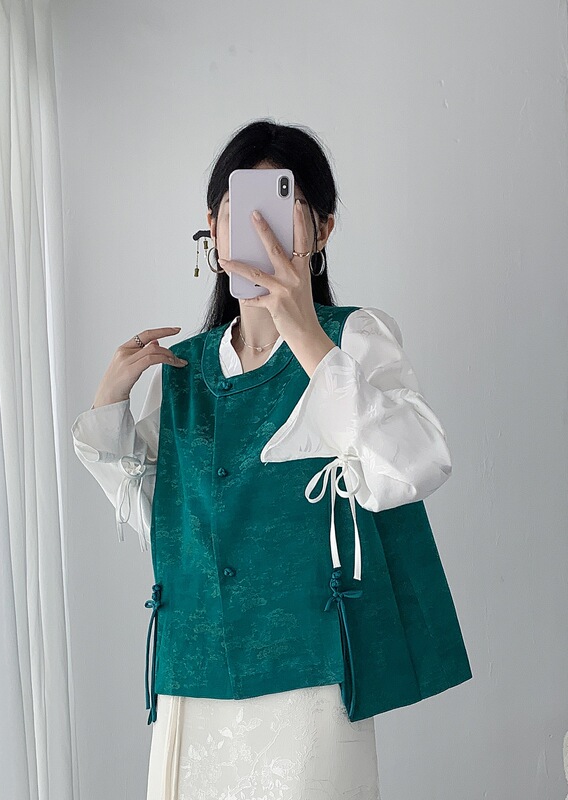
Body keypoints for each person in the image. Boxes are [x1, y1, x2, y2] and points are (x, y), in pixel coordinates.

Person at [71, 119, 471, 800]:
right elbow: (165, 525)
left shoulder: (354, 339)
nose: (256, 229)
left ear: (322, 230)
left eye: (280, 209)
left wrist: (309, 338)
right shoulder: (182, 371)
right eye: (237, 209)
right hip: (193, 676)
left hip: (310, 678)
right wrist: (109, 404)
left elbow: (415, 464)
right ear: (212, 229)